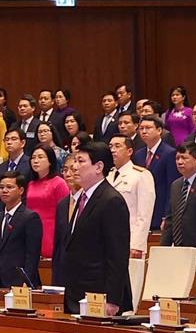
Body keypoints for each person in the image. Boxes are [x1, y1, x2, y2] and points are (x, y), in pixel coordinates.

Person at [54, 144, 132, 316]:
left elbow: (117, 255)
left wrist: (112, 299)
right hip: (76, 292)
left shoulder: (111, 200)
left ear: (98, 167)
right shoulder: (82, 197)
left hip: (99, 295)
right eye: (75, 161)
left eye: (81, 161)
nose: (74, 166)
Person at [0, 175, 43, 286]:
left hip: (20, 281)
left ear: (21, 190)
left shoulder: (30, 217)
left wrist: (27, 280)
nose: (4, 191)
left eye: (9, 187)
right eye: (1, 187)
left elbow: (33, 255)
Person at [106, 135, 154, 255]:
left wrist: (137, 245)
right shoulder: (107, 175)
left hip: (129, 239)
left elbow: (144, 214)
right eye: (110, 146)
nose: (112, 150)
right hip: (107, 239)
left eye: (117, 146)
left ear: (129, 151)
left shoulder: (141, 175)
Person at [23, 146, 71, 259]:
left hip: (51, 232)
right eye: (33, 157)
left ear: (50, 161)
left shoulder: (59, 183)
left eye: (40, 157)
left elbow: (66, 213)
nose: (35, 161)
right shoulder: (30, 184)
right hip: (32, 231)